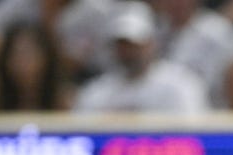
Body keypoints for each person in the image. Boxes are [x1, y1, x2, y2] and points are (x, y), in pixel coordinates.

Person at [72, 0, 209, 114]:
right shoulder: (96, 92)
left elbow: (193, 135)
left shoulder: (181, 85)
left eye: (135, 45)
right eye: (122, 45)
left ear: (151, 43)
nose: (129, 52)